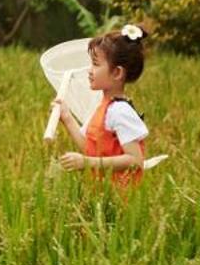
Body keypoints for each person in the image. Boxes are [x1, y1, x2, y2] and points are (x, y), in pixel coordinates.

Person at [51, 24, 151, 187]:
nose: (89, 71)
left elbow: (135, 160)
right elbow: (89, 147)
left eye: (96, 64)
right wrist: (67, 117)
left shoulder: (120, 111)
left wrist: (87, 162)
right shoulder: (103, 107)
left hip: (121, 201)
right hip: (102, 196)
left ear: (117, 72)